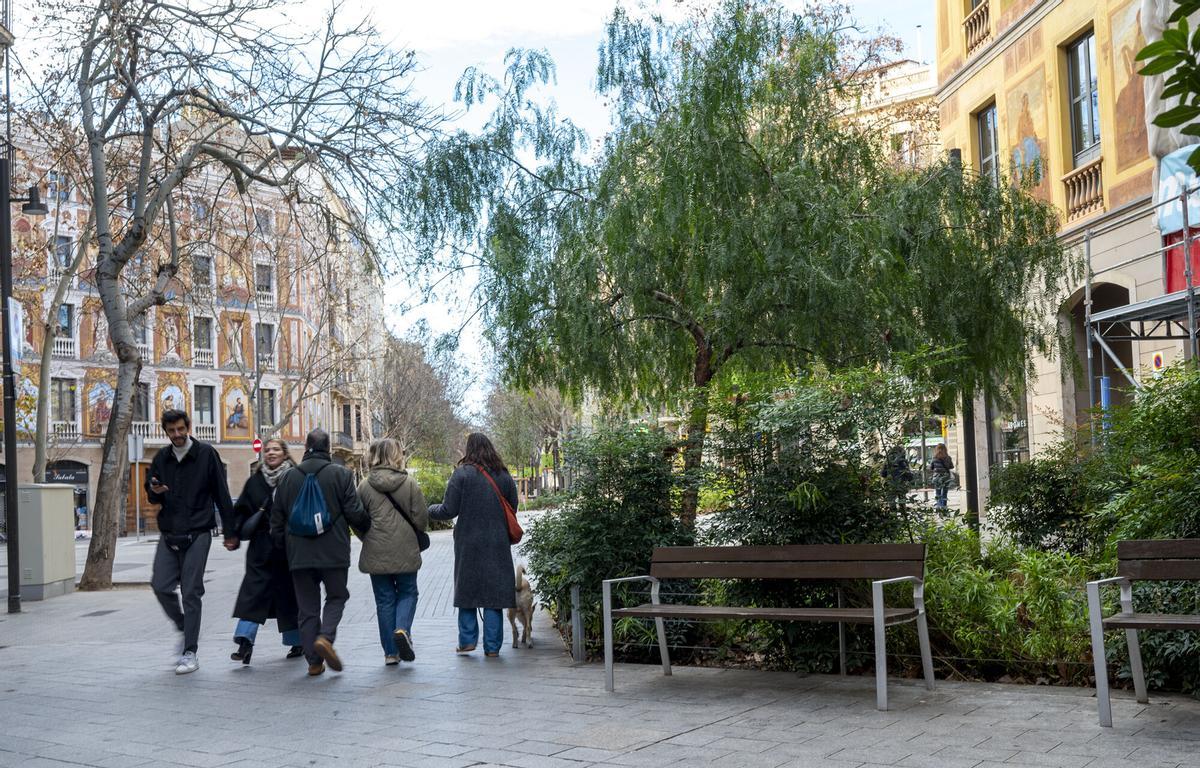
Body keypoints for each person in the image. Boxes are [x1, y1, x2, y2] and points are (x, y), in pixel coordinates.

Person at [269, 429, 370, 676]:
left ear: (306, 447)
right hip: (333, 551)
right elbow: (355, 513)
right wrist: (368, 530)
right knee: (336, 597)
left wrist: (285, 548)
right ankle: (325, 637)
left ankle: (314, 661)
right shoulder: (342, 475)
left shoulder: (287, 478)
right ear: (329, 449)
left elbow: (276, 521)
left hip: (299, 554)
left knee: (307, 609)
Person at [146, 409, 237, 675]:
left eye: (180, 429)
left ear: (188, 427)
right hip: (169, 531)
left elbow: (222, 492)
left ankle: (190, 652)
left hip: (198, 531)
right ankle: (184, 625)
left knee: (190, 592)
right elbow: (151, 496)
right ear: (166, 431)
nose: (176, 435)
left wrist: (230, 532)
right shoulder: (161, 458)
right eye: (171, 431)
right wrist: (155, 491)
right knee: (160, 585)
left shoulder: (206, 454)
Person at [429, 433, 518, 657]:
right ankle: (492, 647)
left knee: (467, 592)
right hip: (497, 543)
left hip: (468, 543)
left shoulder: (461, 475)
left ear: (469, 450)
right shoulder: (504, 476)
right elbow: (513, 508)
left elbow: (448, 510)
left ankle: (467, 641)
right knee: (494, 595)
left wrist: (428, 509)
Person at [230, 438, 302, 665]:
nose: (271, 453)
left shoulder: (295, 478)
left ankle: (296, 641)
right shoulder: (255, 481)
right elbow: (240, 510)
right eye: (268, 450)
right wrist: (233, 534)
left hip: (288, 549)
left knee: (288, 597)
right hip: (260, 549)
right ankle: (244, 642)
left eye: (276, 449)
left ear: (285, 453)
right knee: (253, 594)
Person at [357, 438, 429, 665]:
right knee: (408, 592)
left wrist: (367, 537)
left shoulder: (364, 486)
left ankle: (390, 653)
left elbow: (357, 520)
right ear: (396, 455)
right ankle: (402, 629)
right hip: (405, 549)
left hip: (376, 550)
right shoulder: (409, 484)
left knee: (384, 600)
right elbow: (421, 518)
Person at [930, 443, 955, 511]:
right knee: (944, 493)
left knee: (938, 493)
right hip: (946, 477)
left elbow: (931, 467)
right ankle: (944, 507)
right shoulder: (948, 458)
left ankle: (939, 507)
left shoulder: (934, 458)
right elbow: (952, 466)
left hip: (937, 477)